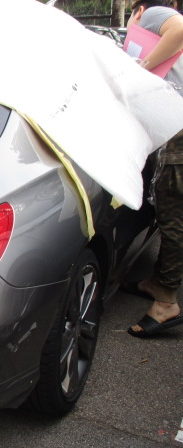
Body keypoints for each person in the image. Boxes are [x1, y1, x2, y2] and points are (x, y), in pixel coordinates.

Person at [123, 0, 183, 337]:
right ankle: (156, 282)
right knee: (167, 207)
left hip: (179, 129)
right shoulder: (151, 19)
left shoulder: (153, 14)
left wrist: (142, 67)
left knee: (172, 214)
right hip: (174, 127)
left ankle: (165, 304)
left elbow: (180, 29)